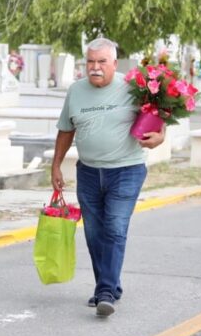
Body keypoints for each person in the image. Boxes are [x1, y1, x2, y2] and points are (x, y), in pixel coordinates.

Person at [50, 37, 165, 318]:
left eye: (102, 62)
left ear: (114, 63)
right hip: (88, 171)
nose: (95, 67)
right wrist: (56, 165)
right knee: (93, 233)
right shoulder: (76, 91)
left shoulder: (134, 88)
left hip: (126, 170)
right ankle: (110, 285)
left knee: (114, 227)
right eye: (90, 62)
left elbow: (159, 117)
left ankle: (104, 292)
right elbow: (66, 130)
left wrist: (160, 136)